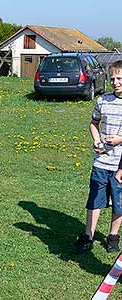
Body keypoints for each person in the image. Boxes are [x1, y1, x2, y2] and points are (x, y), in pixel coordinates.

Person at [76, 60, 122, 253]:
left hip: (120, 165)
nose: (115, 82)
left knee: (119, 203)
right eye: (112, 78)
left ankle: (113, 237)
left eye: (119, 78)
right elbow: (93, 123)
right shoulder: (103, 100)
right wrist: (96, 140)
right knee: (94, 200)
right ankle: (88, 236)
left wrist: (119, 139)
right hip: (102, 162)